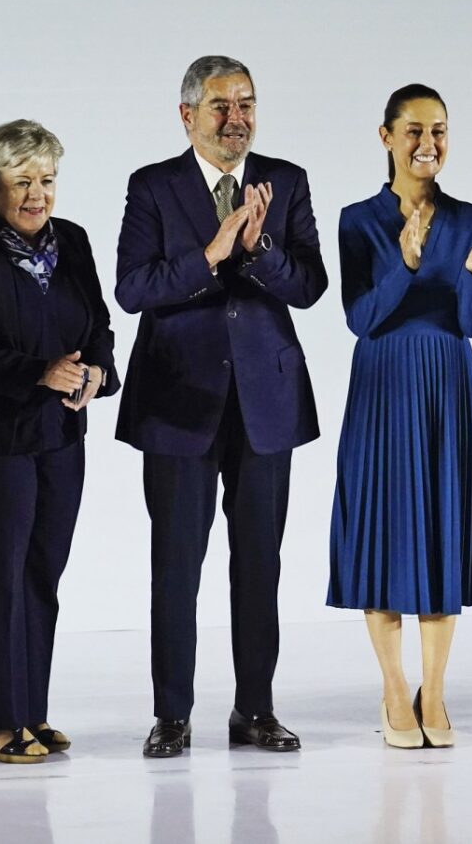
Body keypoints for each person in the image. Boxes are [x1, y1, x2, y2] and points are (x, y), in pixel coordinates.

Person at [116, 55, 328, 757]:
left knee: (258, 562)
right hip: (179, 399)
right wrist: (210, 253)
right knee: (176, 564)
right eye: (220, 107)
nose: (237, 119)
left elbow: (310, 285)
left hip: (265, 399)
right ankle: (172, 713)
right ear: (188, 116)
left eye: (247, 104)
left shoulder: (286, 180)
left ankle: (255, 710)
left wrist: (260, 244)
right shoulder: (152, 186)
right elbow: (134, 287)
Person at [0, 119, 120, 764]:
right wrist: (36, 372)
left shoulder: (76, 242)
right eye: (22, 182)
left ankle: (29, 712)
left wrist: (95, 372)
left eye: (47, 179)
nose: (37, 194)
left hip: (59, 432)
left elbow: (100, 325)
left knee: (42, 572)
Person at [328, 84, 472, 748]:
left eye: (439, 129)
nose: (427, 143)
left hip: (445, 383)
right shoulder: (357, 219)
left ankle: (436, 689)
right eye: (413, 130)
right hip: (383, 383)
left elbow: (471, 321)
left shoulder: (467, 217)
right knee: (383, 529)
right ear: (386, 137)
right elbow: (360, 319)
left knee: (440, 528)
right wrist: (404, 263)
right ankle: (394, 687)